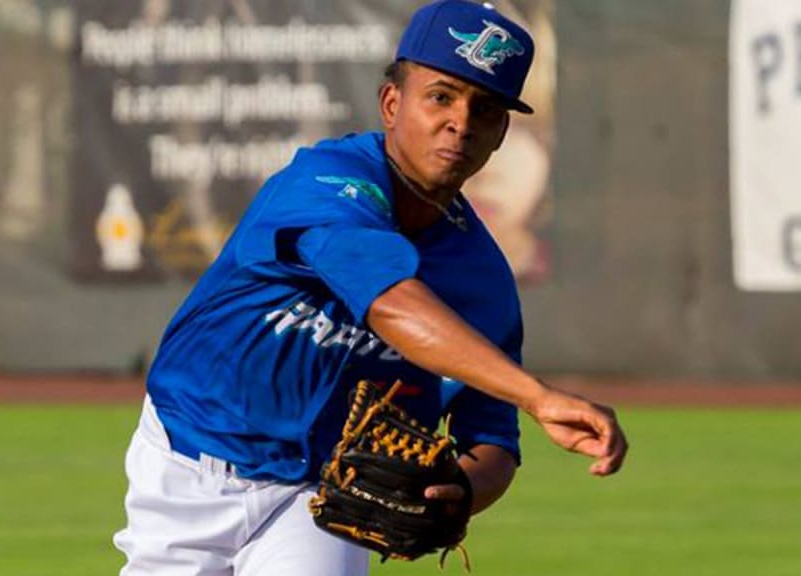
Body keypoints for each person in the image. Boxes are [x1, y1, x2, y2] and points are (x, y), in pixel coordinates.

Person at [114, 1, 628, 575]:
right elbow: (389, 302)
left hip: (313, 497)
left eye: (484, 109)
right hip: (189, 461)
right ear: (392, 103)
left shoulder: (481, 279)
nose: (460, 121)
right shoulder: (324, 183)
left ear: (501, 133)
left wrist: (461, 490)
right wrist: (539, 396)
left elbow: (492, 442)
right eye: (441, 96)